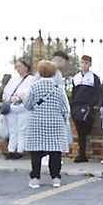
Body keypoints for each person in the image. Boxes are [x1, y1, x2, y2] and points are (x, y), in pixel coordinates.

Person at [21, 58, 71, 188]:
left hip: (37, 122)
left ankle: (35, 178)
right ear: (54, 72)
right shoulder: (59, 88)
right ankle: (55, 178)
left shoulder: (34, 86)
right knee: (55, 152)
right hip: (55, 123)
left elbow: (27, 104)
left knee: (36, 152)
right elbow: (65, 108)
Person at [68, 53, 102, 163]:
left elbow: (98, 92)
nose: (84, 65)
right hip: (77, 107)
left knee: (86, 130)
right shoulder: (76, 77)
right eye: (82, 62)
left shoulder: (94, 77)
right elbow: (74, 92)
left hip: (88, 107)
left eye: (86, 63)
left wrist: (95, 105)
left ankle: (84, 153)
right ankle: (81, 154)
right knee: (80, 132)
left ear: (90, 64)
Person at [0, 55, 34, 159]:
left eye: (20, 66)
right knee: (12, 129)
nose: (18, 68)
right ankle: (11, 149)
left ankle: (20, 150)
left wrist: (20, 97)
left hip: (23, 109)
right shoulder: (13, 79)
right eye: (17, 66)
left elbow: (30, 92)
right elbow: (6, 92)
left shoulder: (31, 79)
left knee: (22, 129)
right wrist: (10, 99)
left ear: (26, 67)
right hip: (12, 108)